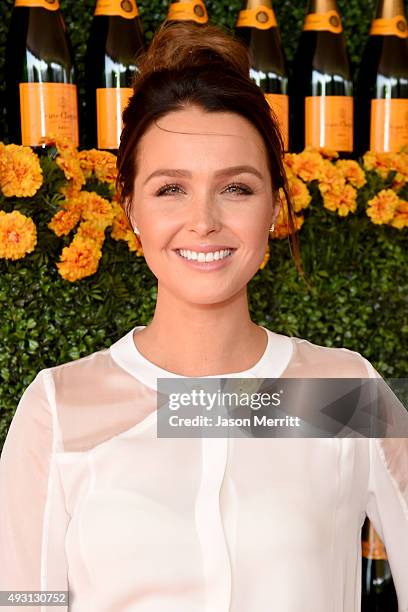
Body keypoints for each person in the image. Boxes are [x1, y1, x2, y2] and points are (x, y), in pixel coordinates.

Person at [0, 19, 407, 612]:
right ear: (131, 206)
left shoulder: (343, 392)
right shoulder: (58, 409)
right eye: (170, 189)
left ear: (273, 204)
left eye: (236, 188)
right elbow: (22, 603)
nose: (204, 221)